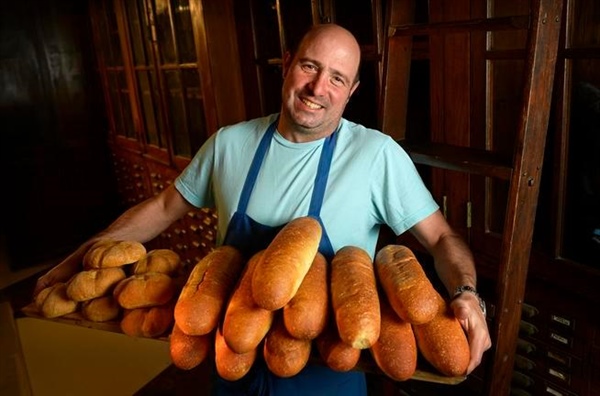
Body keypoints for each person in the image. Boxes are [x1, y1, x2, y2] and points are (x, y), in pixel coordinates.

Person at [35, 23, 491, 395]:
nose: (317, 88)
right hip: (231, 357)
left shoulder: (376, 154)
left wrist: (466, 293)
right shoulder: (229, 143)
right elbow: (163, 206)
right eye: (309, 67)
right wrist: (88, 252)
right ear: (287, 65)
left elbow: (441, 239)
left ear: (351, 91)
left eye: (336, 77)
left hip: (327, 373)